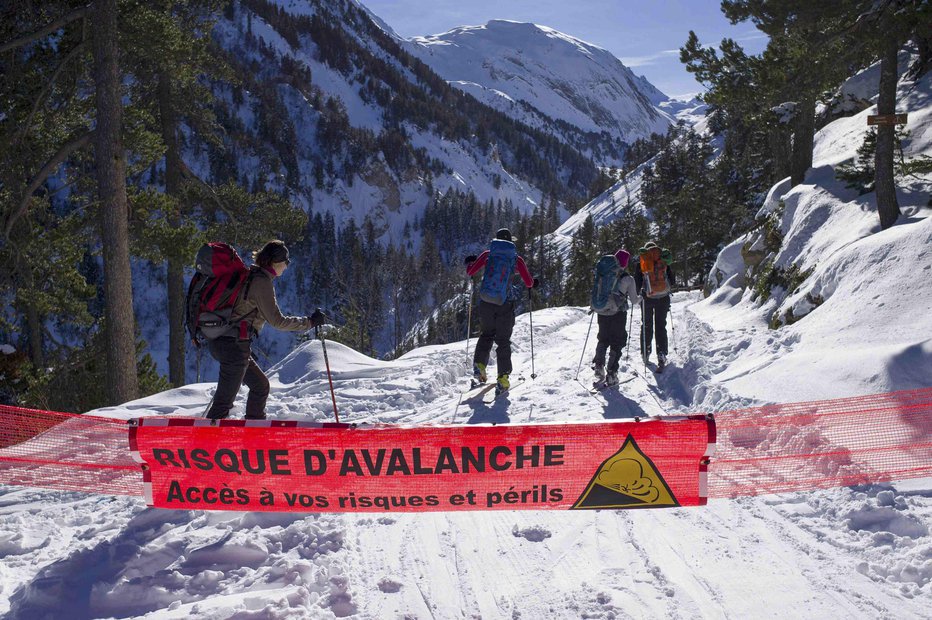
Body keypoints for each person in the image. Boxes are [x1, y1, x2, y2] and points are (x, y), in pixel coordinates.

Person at [206, 240, 327, 420]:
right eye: (286, 261)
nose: (287, 266)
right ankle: (206, 442)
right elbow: (277, 321)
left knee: (260, 386)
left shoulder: (253, 275)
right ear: (276, 262)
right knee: (222, 404)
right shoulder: (261, 282)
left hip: (228, 343)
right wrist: (309, 322)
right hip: (232, 345)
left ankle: (254, 435)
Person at [465, 228, 538, 394]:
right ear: (510, 242)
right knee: (503, 341)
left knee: (486, 334)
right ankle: (503, 379)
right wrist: (534, 283)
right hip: (504, 304)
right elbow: (528, 282)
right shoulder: (515, 258)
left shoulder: (487, 254)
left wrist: (470, 262)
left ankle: (479, 366)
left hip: (485, 302)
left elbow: (471, 271)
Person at [590, 249, 640, 385]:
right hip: (618, 313)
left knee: (603, 338)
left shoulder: (604, 273)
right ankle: (612, 373)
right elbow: (634, 300)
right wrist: (641, 297)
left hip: (601, 310)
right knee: (617, 341)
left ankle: (599, 366)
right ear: (625, 262)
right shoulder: (627, 278)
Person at [634, 241, 675, 371]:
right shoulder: (663, 261)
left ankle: (645, 353)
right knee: (660, 325)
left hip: (647, 298)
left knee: (646, 324)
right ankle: (661, 353)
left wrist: (638, 294)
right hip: (663, 298)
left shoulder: (643, 262)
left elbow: (637, 282)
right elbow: (672, 280)